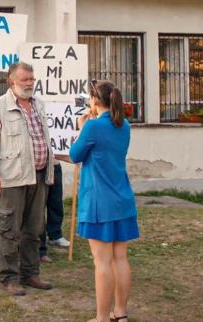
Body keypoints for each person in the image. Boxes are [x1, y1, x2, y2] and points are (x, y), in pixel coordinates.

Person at [0, 63, 56, 295]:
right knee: (9, 230)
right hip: (12, 178)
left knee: (34, 229)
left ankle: (30, 273)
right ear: (11, 81)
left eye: (31, 79)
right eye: (24, 79)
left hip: (39, 176)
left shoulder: (39, 105)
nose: (29, 83)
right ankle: (9, 277)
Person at [69, 81, 138, 322]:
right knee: (120, 258)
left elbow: (75, 154)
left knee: (102, 262)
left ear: (95, 100)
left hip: (99, 202)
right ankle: (120, 312)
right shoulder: (125, 125)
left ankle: (101, 317)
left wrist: (81, 127)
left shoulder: (93, 127)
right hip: (122, 198)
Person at [38, 163, 70, 262]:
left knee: (56, 202)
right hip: (38, 166)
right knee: (38, 207)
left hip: (55, 163)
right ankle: (39, 246)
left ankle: (55, 235)